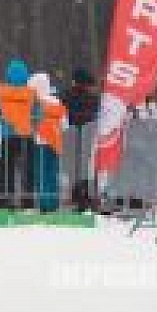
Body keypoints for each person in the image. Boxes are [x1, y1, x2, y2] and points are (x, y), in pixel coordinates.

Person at [0, 59, 37, 209]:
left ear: (8, 74)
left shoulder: (1, 91)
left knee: (6, 170)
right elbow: (38, 113)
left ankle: (6, 200)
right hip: (26, 135)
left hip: (7, 135)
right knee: (27, 171)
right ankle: (27, 201)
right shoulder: (31, 93)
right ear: (26, 75)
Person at [61, 68, 99, 211]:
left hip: (72, 135)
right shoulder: (92, 98)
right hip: (87, 135)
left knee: (75, 168)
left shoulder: (66, 96)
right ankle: (86, 197)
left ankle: (78, 196)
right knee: (85, 168)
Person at [29, 73, 67, 213]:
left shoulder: (38, 103)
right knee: (52, 173)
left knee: (42, 173)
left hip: (41, 142)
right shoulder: (56, 102)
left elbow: (32, 122)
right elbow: (65, 123)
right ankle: (53, 202)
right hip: (55, 142)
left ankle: (44, 204)